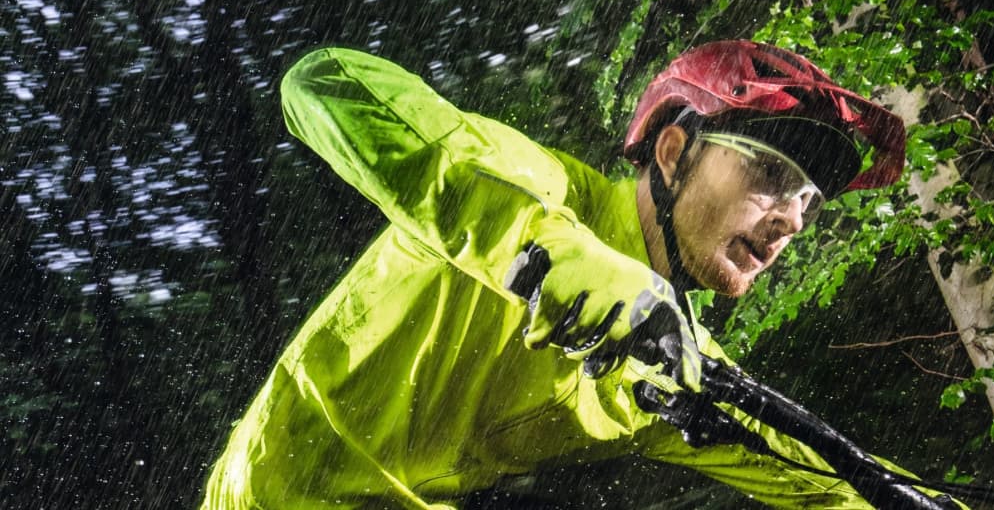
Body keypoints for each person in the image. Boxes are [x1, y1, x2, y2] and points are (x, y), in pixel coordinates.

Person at [202, 40, 933, 510]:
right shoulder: (536, 180)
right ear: (674, 154)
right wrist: (563, 262)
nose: (794, 220)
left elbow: (827, 477)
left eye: (810, 202)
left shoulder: (673, 360)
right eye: (773, 174)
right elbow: (320, 82)